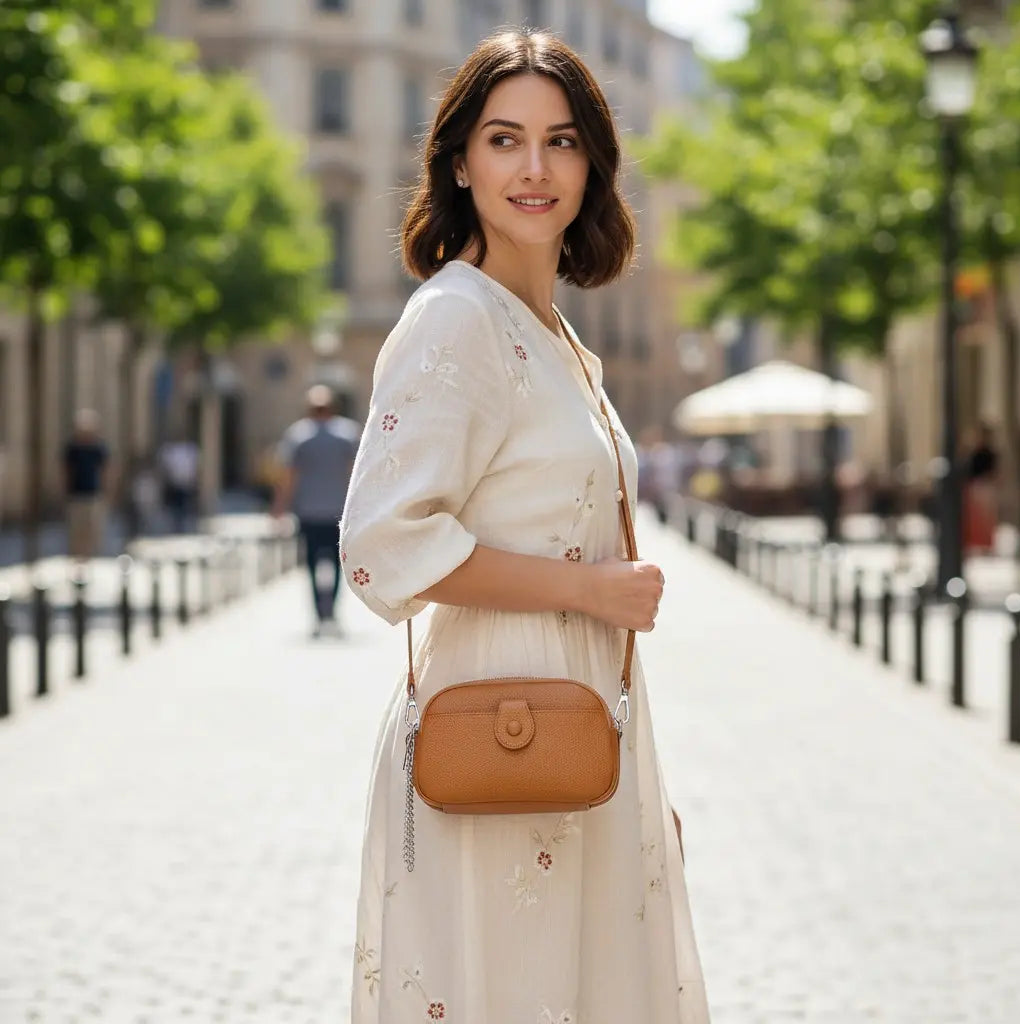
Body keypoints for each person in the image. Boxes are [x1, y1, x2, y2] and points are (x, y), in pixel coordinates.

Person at [339, 31, 708, 1023]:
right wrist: (588, 590)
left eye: (562, 140)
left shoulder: (556, 336)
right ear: (460, 162)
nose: (535, 168)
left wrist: (639, 779)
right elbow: (382, 543)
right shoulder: (455, 318)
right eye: (504, 139)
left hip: (585, 731)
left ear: (594, 163)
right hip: (498, 726)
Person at [273, 385, 360, 636]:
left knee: (311, 565)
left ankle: (319, 614)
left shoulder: (298, 435)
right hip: (338, 512)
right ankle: (330, 610)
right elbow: (356, 473)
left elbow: (288, 476)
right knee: (336, 564)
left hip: (309, 511)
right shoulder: (347, 433)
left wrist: (279, 507)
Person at [63, 409, 111, 562]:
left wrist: (106, 490)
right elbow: (66, 470)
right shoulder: (73, 448)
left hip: (93, 493)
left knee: (92, 528)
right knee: (76, 528)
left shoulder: (98, 447)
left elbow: (106, 469)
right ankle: (77, 557)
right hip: (76, 493)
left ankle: (88, 556)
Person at [963, 421, 999, 555]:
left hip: (985, 485)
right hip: (976, 485)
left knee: (986, 517)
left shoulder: (989, 452)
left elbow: (993, 471)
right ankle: (976, 542)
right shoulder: (975, 452)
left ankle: (985, 544)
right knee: (976, 516)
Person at [158, 434, 200, 534]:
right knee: (176, 506)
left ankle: (181, 525)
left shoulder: (189, 450)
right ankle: (177, 525)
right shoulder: (170, 451)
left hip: (185, 483)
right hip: (175, 483)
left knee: (183, 506)